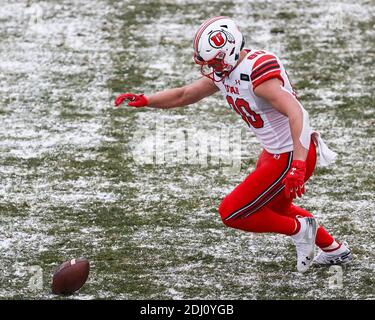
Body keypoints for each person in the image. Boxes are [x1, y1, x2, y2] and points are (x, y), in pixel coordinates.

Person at [114, 16, 352, 272]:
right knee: (278, 208)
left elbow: (298, 114)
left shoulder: (256, 74)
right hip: (274, 152)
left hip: (290, 153)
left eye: (215, 61)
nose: (211, 68)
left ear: (229, 50)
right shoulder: (227, 71)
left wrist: (298, 164)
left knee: (232, 211)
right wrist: (147, 99)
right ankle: (334, 249)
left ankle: (300, 230)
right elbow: (185, 94)